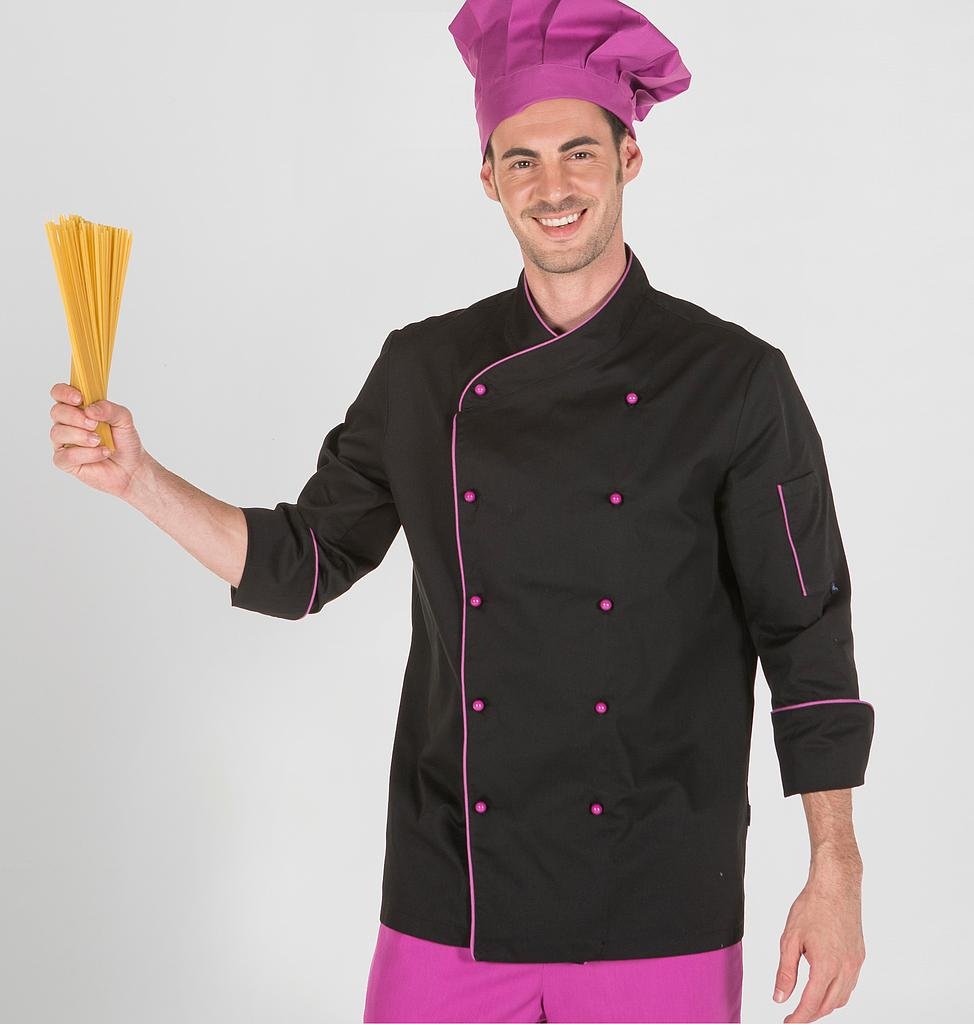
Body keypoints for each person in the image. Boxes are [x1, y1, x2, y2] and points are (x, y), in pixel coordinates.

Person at [48, 1, 873, 1020]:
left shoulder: (735, 381)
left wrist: (836, 870)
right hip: (452, 887)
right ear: (487, 177)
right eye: (521, 160)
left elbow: (805, 632)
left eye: (579, 153)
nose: (552, 187)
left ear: (629, 159)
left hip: (658, 888)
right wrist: (139, 478)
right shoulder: (424, 369)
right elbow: (303, 563)